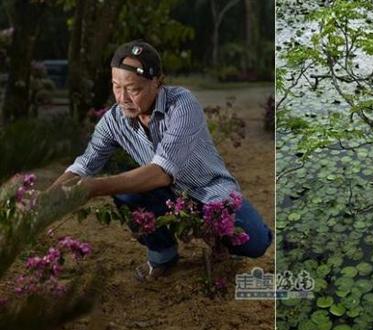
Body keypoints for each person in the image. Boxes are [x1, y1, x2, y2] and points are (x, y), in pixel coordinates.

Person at [50, 40, 272, 281]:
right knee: (127, 194)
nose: (122, 98)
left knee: (255, 243)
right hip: (164, 196)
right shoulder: (113, 120)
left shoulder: (182, 104)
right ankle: (163, 256)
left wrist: (93, 187)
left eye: (133, 89)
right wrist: (49, 197)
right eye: (116, 86)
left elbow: (161, 172)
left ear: (157, 81)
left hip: (209, 191)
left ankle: (218, 239)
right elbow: (84, 165)